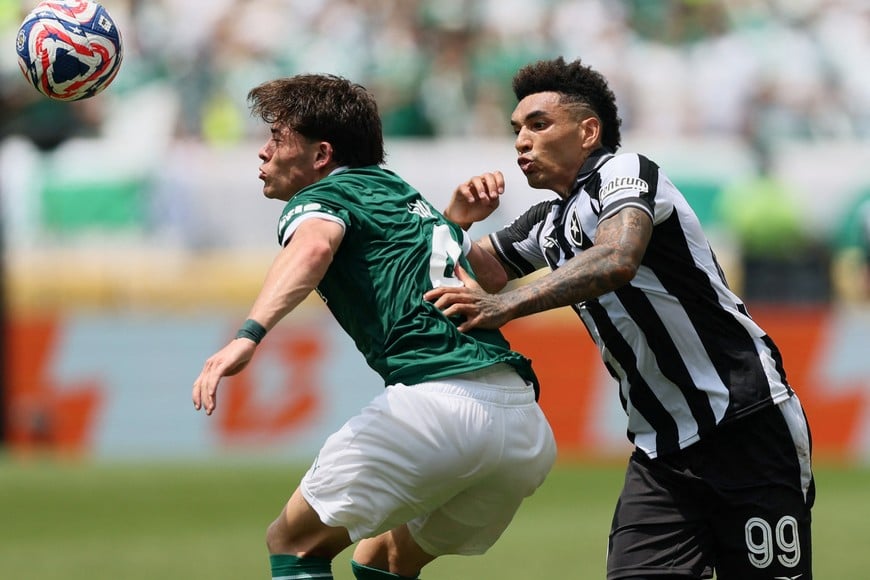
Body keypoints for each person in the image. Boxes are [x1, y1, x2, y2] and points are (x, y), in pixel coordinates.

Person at [425, 57, 814, 580]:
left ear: (589, 131)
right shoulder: (548, 223)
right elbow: (476, 276)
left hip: (745, 423)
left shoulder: (624, 172)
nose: (521, 141)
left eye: (539, 125)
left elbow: (616, 258)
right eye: (516, 130)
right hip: (661, 453)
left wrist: (507, 306)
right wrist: (453, 221)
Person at [191, 73, 556, 580]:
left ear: (321, 155)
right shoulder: (401, 193)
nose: (263, 153)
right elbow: (466, 274)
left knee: (294, 542)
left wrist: (247, 335)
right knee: (385, 557)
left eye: (276, 138)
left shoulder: (323, 197)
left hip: (436, 409)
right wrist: (455, 222)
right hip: (522, 423)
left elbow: (314, 247)